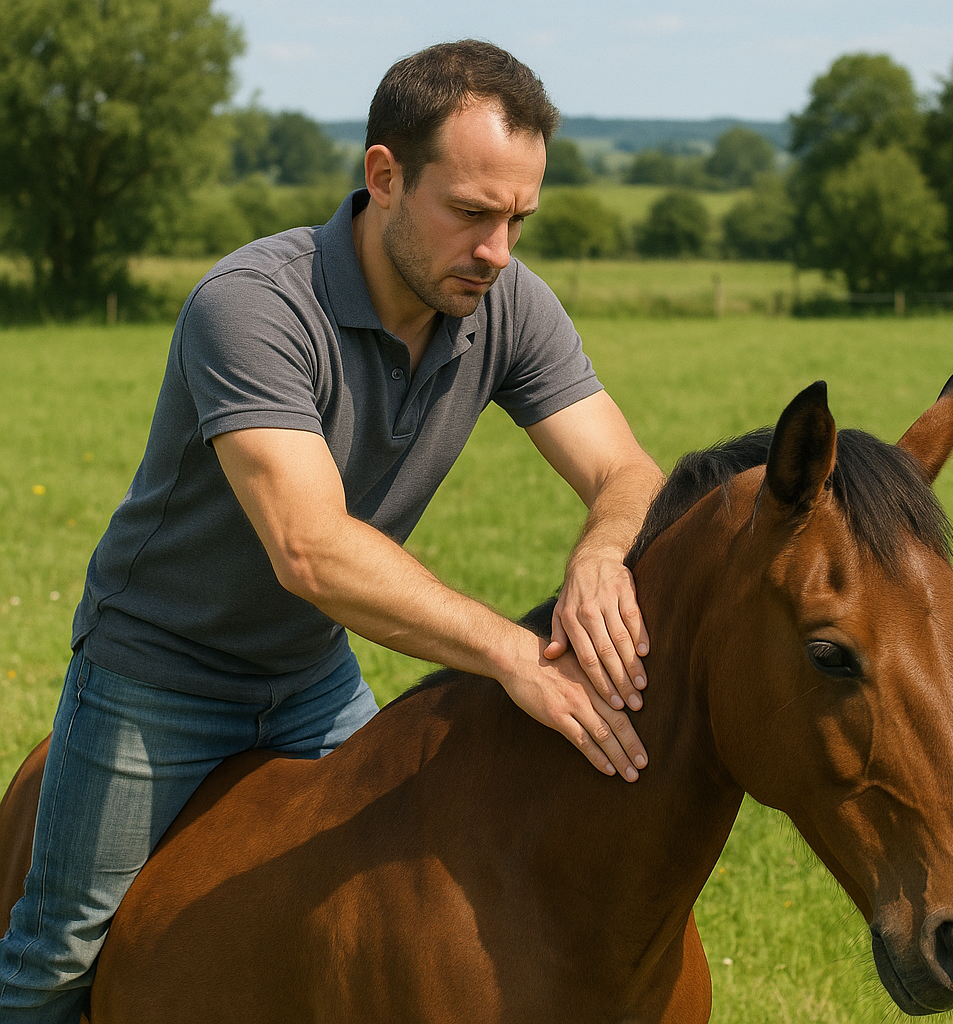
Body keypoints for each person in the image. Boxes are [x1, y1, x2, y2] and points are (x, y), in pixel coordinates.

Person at [0, 39, 665, 1021]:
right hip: (155, 676)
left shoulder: (505, 303)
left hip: (309, 678)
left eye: (519, 218)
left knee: (377, 915)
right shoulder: (254, 304)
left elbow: (626, 470)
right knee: (56, 961)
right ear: (383, 177)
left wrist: (603, 549)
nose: (498, 251)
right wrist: (514, 655)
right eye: (472, 213)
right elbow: (307, 546)